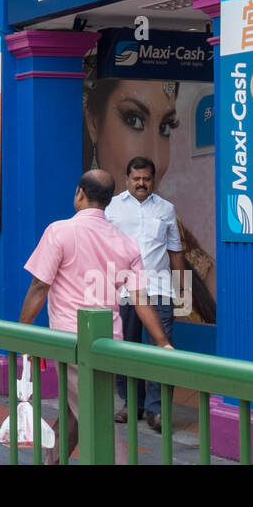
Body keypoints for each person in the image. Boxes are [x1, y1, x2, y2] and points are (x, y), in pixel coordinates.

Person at [16, 169, 172, 463]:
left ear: (79, 193)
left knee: (95, 421)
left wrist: (21, 334)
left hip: (70, 341)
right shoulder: (126, 243)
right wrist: (162, 342)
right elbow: (139, 299)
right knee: (77, 411)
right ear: (108, 202)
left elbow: (39, 286)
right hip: (108, 342)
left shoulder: (59, 231)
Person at [84, 75, 216, 324]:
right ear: (94, 121)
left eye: (165, 127)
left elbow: (178, 257)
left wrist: (183, 298)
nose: (154, 154)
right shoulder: (105, 214)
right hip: (121, 301)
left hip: (160, 299)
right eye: (133, 120)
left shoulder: (167, 214)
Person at [105, 156, 183, 432]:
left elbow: (175, 250)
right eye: (136, 178)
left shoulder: (166, 209)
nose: (141, 183)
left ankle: (157, 410)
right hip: (123, 290)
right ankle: (132, 404)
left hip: (159, 289)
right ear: (127, 179)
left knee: (163, 350)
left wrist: (180, 289)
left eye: (146, 178)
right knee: (127, 347)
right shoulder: (111, 207)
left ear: (154, 180)